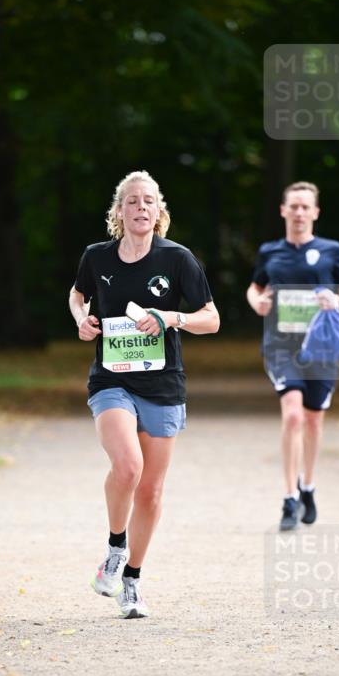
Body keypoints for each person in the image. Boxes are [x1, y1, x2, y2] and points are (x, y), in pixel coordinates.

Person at [69, 170, 220, 618]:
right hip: (111, 379)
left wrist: (171, 317)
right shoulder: (97, 257)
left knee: (151, 492)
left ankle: (131, 580)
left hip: (163, 384)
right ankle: (115, 547)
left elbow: (211, 318)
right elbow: (78, 295)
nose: (141, 208)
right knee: (128, 465)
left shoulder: (177, 259)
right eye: (132, 201)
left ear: (160, 212)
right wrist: (81, 319)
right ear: (118, 211)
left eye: (149, 202)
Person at [247, 181, 339, 531]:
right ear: (283, 211)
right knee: (293, 414)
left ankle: (308, 485)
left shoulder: (331, 250)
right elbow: (255, 286)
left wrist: (338, 302)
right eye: (292, 206)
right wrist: (258, 302)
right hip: (281, 346)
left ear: (315, 212)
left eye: (304, 207)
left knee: (313, 420)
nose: (298, 212)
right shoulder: (270, 251)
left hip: (321, 347)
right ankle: (289, 496)